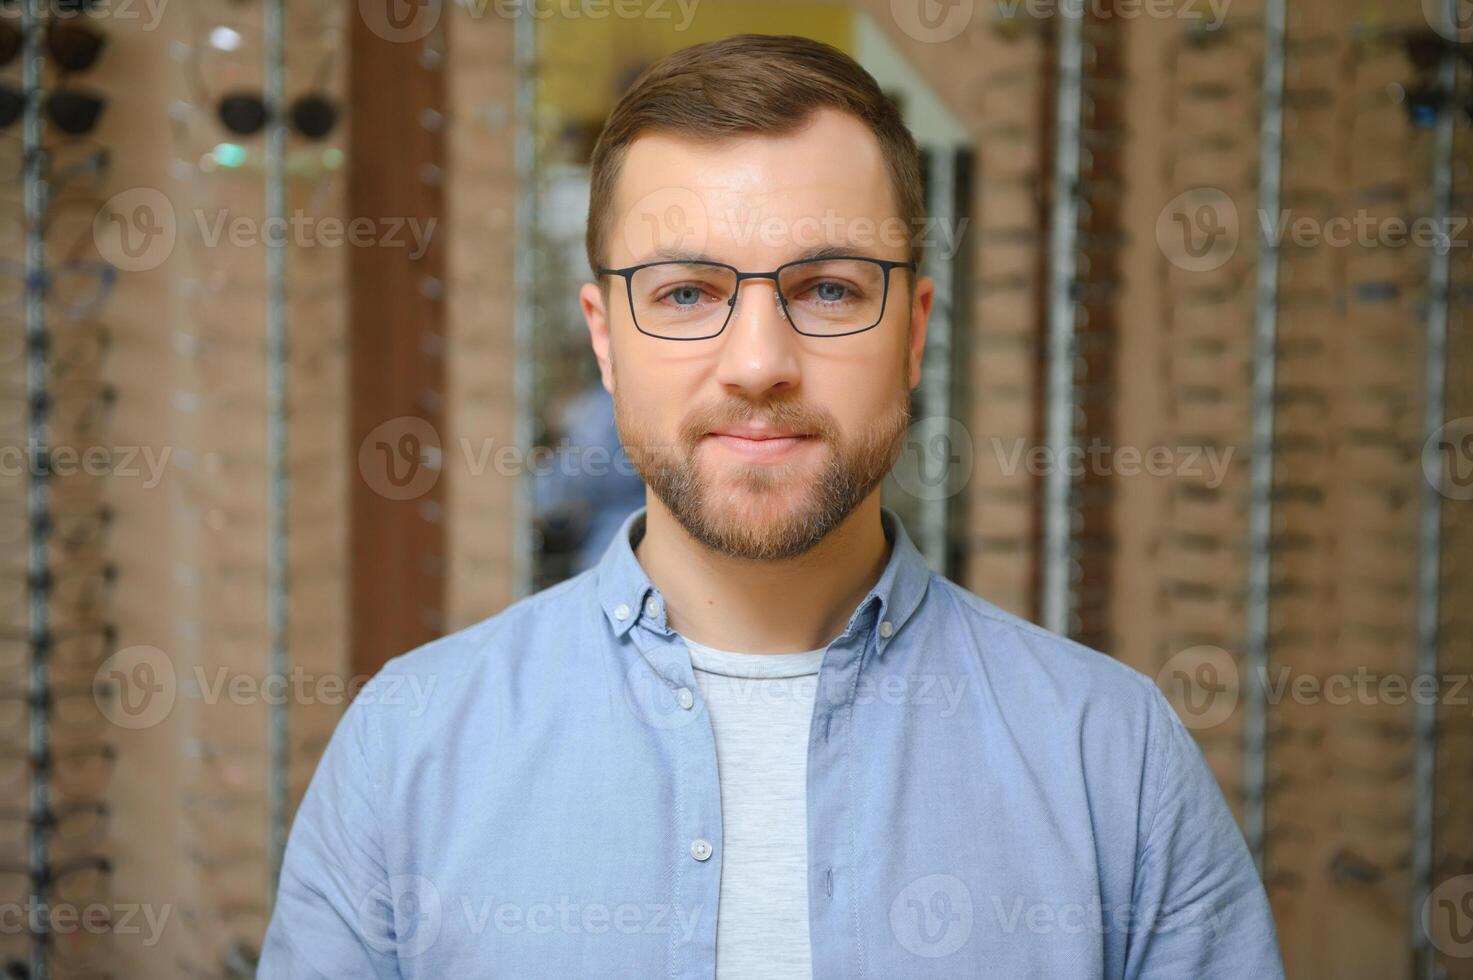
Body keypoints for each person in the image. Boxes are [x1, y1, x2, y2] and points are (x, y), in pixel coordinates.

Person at [258, 33, 1283, 979]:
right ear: (604, 338)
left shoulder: (1116, 758)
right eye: (687, 292)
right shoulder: (408, 743)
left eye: (831, 289)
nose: (758, 364)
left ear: (915, 332)